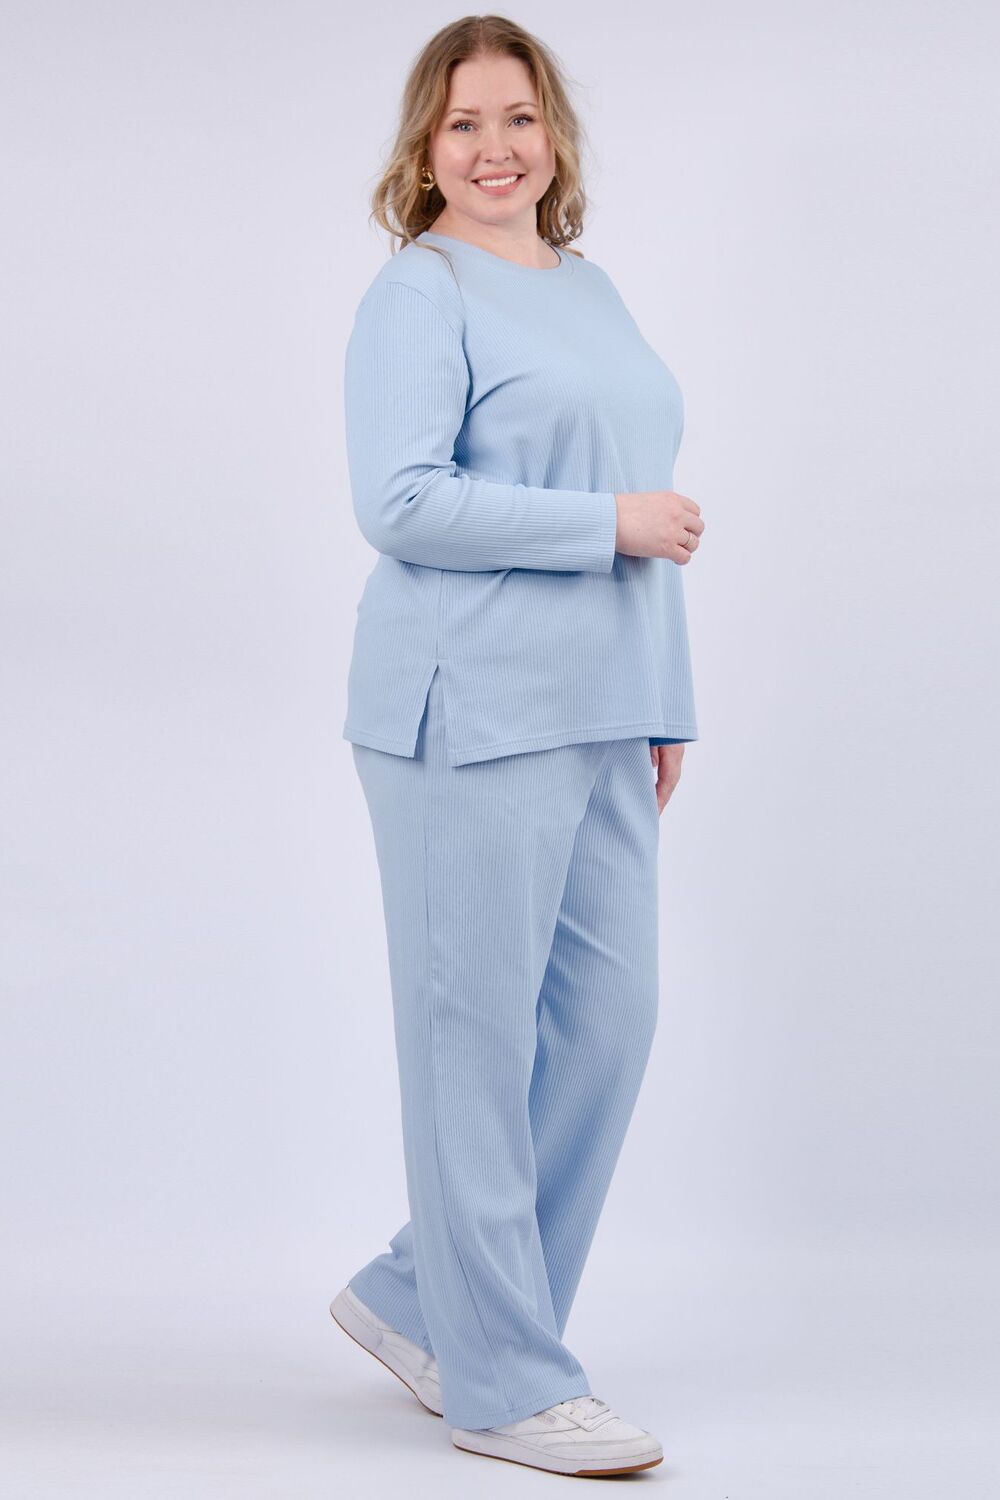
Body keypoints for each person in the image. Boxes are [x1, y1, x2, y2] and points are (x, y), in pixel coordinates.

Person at [329, 15, 704, 1479]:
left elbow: (644, 490)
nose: (496, 149)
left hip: (603, 704)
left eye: (520, 118)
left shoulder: (589, 288)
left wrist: (665, 695)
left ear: (556, 136)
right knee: (471, 1043)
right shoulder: (417, 294)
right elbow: (403, 502)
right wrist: (607, 527)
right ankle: (501, 1379)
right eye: (464, 123)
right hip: (466, 708)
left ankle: (425, 1302)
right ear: (424, 150)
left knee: (612, 1024)